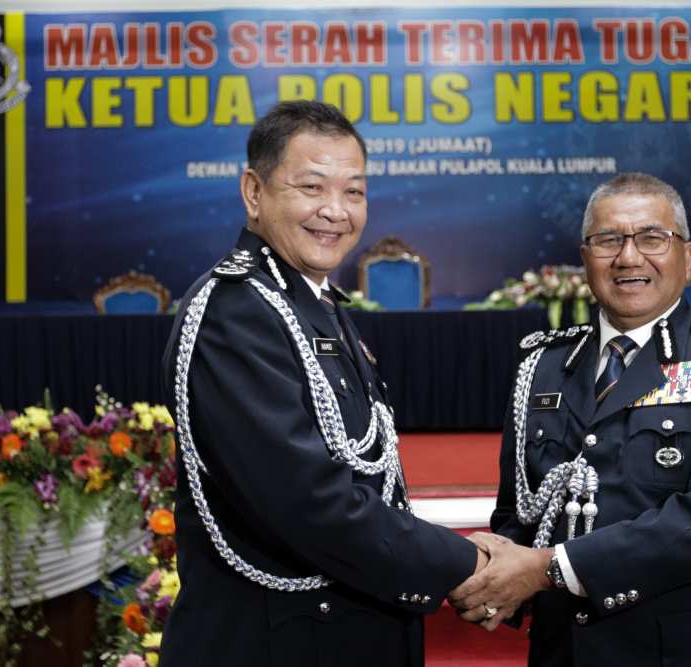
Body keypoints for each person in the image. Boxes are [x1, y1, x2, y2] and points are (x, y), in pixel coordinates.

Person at [158, 100, 486, 666]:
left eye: (354, 192)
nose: (336, 211)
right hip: (275, 642)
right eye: (312, 188)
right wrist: (469, 566)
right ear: (254, 193)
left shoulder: (313, 302)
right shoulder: (234, 314)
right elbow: (311, 502)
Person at [449, 172, 691, 666]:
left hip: (687, 651)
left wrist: (546, 569)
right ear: (585, 256)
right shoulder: (543, 364)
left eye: (652, 238)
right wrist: (488, 572)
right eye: (608, 240)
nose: (629, 257)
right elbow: (519, 511)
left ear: (688, 256)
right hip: (566, 651)